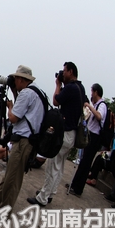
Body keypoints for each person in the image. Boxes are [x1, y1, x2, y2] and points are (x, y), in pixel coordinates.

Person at [0, 65, 45, 217]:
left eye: (15, 79)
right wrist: (14, 91)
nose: (14, 82)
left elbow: (13, 117)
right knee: (11, 173)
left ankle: (5, 210)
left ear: (20, 79)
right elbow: (25, 110)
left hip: (24, 141)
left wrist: (10, 107)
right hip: (29, 140)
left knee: (13, 178)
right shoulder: (37, 91)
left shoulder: (26, 93)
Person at [28, 62, 87, 207]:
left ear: (71, 72)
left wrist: (58, 84)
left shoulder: (71, 88)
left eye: (64, 71)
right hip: (71, 135)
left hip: (63, 133)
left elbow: (55, 101)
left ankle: (42, 197)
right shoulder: (80, 87)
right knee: (59, 166)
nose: (62, 73)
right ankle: (49, 194)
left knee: (52, 166)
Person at [69, 83, 107, 196]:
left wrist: (90, 107)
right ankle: (74, 184)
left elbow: (99, 116)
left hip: (95, 137)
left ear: (95, 92)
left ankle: (78, 188)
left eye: (92, 92)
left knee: (86, 163)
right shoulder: (97, 105)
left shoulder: (102, 105)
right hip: (91, 135)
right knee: (83, 161)